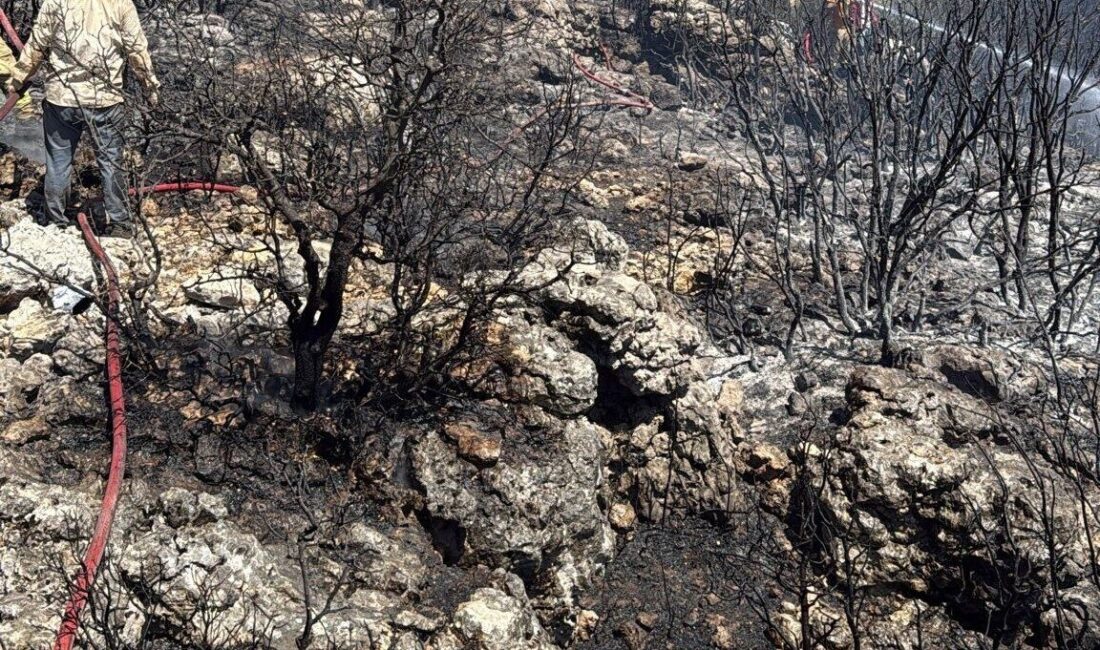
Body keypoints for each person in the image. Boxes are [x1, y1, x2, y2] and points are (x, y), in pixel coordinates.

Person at [7, 0, 160, 236]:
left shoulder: (55, 2)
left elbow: (36, 46)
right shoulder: (121, 4)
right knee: (111, 164)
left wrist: (17, 80)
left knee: (58, 162)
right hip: (105, 100)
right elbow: (136, 50)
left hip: (62, 98)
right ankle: (120, 223)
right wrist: (150, 89)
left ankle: (55, 222)